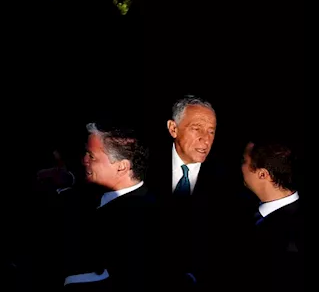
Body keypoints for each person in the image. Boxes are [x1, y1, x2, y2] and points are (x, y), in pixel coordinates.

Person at [61, 123, 155, 290]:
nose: (84, 160)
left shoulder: (139, 221)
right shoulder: (97, 191)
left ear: (122, 166)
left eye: (91, 156)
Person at [156, 96, 237, 288]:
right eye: (196, 128)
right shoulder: (143, 166)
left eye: (211, 131)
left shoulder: (228, 181)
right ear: (173, 128)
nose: (206, 139)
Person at [236, 139, 303, 292]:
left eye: (243, 161)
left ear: (262, 174)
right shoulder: (247, 207)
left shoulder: (291, 240)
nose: (240, 167)